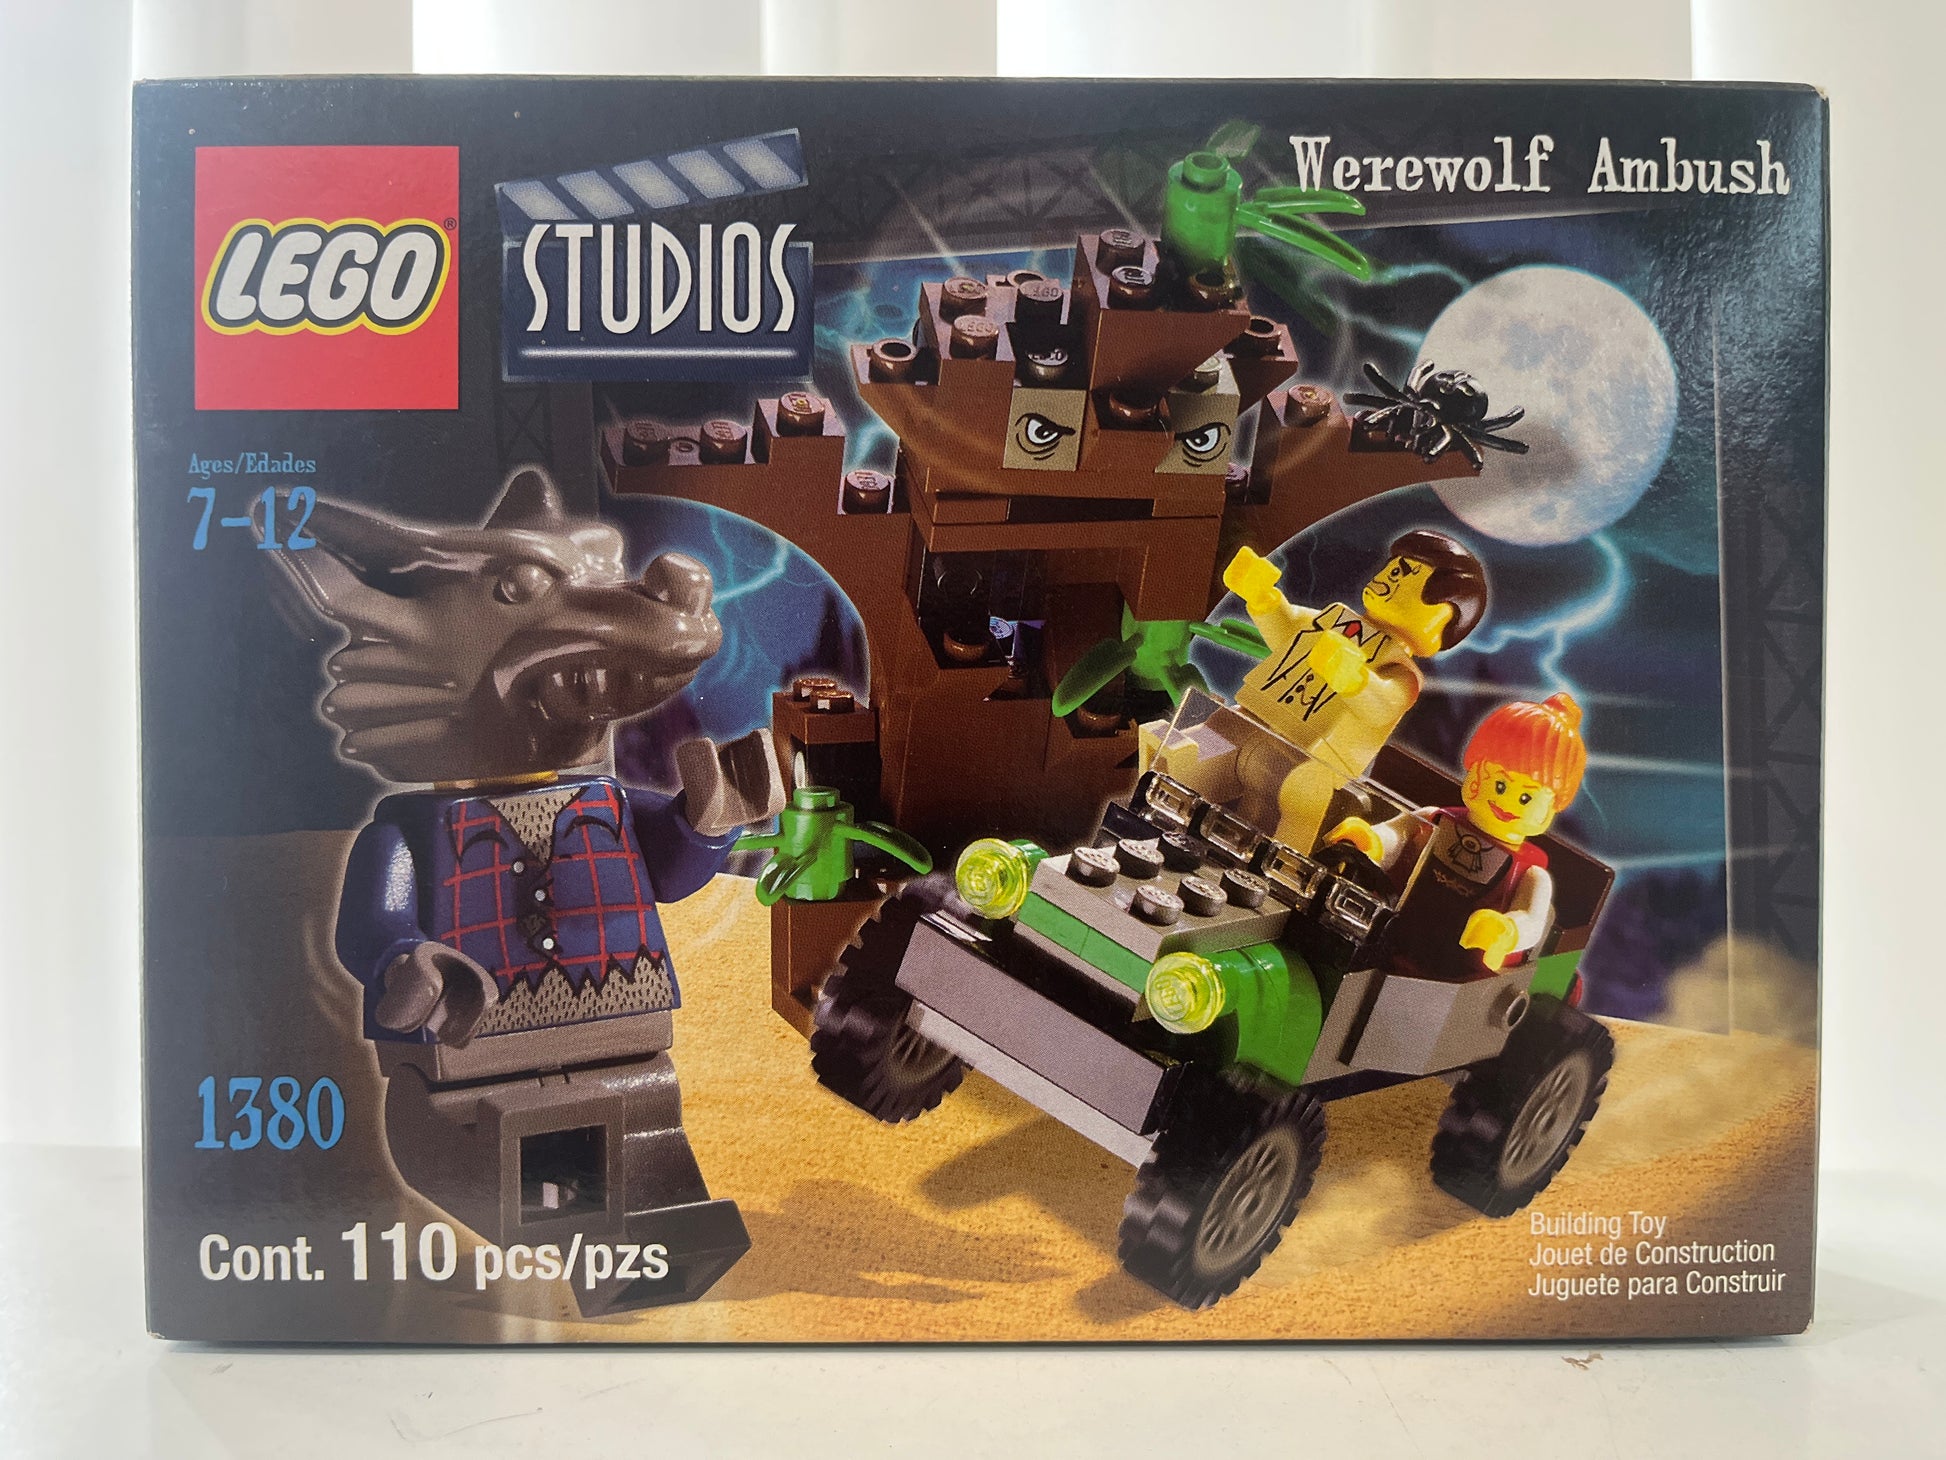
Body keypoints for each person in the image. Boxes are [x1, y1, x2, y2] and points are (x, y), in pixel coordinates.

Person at [1216, 529, 1487, 849]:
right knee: (1210, 736)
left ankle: (1284, 858)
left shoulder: (1400, 671)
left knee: (1302, 798)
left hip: (1312, 759)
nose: (1389, 576)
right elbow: (1289, 633)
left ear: (1442, 615)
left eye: (1405, 573)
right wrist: (1262, 597)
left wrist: (1355, 680)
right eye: (1393, 567)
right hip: (1255, 718)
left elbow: (1384, 704)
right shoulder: (1336, 620)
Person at [1326, 692, 1588, 981]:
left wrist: (1506, 931)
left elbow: (1531, 920)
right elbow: (1396, 836)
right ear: (1474, 770)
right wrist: (1371, 841)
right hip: (1388, 935)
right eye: (1500, 785)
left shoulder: (1532, 876)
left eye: (1526, 797)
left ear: (1551, 808)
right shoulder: (1435, 819)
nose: (1506, 802)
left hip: (1457, 971)